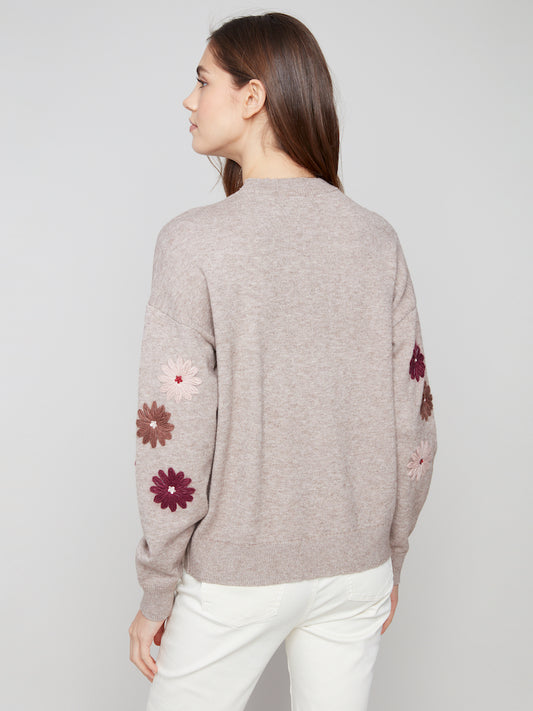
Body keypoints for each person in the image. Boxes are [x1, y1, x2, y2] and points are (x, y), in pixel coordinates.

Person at [128, 11, 438, 711]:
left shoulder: (193, 241)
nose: (188, 98)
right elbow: (414, 423)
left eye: (202, 80)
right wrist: (390, 553)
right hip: (355, 567)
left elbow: (172, 432)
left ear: (252, 96)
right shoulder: (374, 238)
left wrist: (158, 587)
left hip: (236, 573)